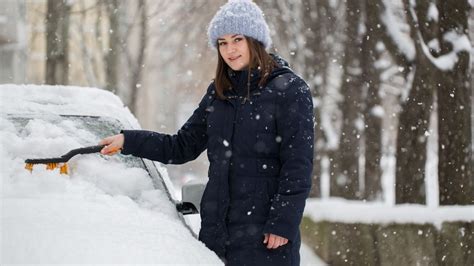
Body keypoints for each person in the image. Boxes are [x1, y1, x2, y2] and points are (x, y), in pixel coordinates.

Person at [99, 0, 314, 265]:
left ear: (255, 40)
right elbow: (181, 146)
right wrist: (128, 140)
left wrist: (283, 224)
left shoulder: (290, 91)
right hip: (216, 239)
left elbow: (298, 167)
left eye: (237, 39)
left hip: (266, 239)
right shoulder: (219, 93)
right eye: (222, 43)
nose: (230, 50)